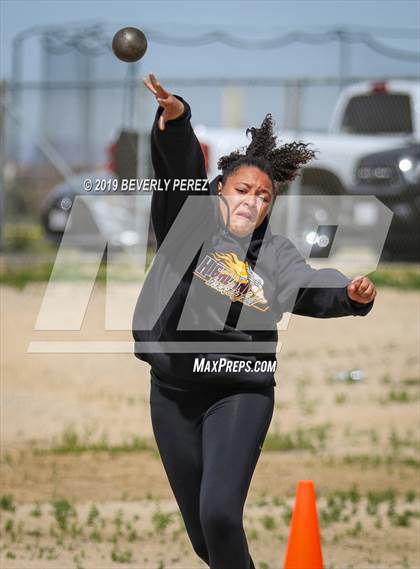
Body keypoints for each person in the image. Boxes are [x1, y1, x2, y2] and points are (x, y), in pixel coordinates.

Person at [132, 73, 376, 569]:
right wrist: (178, 122)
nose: (253, 201)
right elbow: (177, 170)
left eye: (264, 196)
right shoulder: (188, 226)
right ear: (220, 188)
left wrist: (348, 294)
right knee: (206, 540)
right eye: (243, 189)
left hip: (238, 391)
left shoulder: (276, 254)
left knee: (221, 515)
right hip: (173, 393)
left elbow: (311, 284)